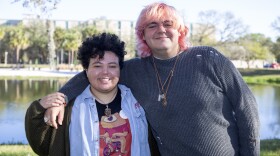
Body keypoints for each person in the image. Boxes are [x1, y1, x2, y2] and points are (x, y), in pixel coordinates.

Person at [43, 2, 260, 156]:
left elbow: (247, 110)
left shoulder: (209, 59)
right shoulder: (135, 70)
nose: (161, 30)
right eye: (152, 25)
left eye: (168, 24)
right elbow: (94, 74)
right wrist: (60, 98)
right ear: (143, 35)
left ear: (181, 31)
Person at [25, 32, 150, 156]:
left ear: (119, 69)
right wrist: (39, 108)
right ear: (86, 70)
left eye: (112, 66)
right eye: (97, 66)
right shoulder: (69, 108)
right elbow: (41, 144)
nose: (105, 72)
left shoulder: (136, 99)